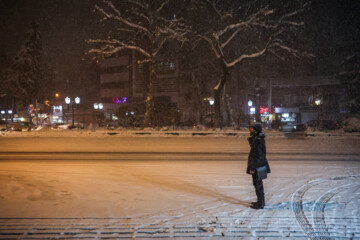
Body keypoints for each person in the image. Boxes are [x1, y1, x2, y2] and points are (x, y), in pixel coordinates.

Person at [247, 123, 270, 209]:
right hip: (258, 165)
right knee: (257, 184)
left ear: (256, 130)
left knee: (258, 184)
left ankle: (260, 203)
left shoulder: (258, 140)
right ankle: (260, 201)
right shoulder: (257, 139)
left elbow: (258, 155)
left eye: (252, 129)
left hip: (258, 166)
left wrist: (253, 168)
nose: (250, 130)